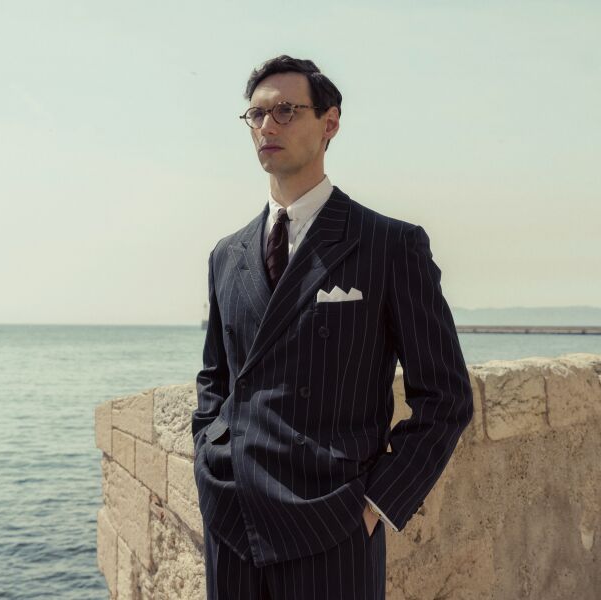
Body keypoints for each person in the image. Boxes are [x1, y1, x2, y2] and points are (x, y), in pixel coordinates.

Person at [191, 55, 474, 599]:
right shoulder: (226, 255)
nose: (268, 126)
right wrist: (211, 455)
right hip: (232, 517)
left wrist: (376, 505)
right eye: (256, 115)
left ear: (330, 123)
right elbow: (215, 378)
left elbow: (446, 397)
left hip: (331, 524)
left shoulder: (390, 244)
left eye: (286, 111)